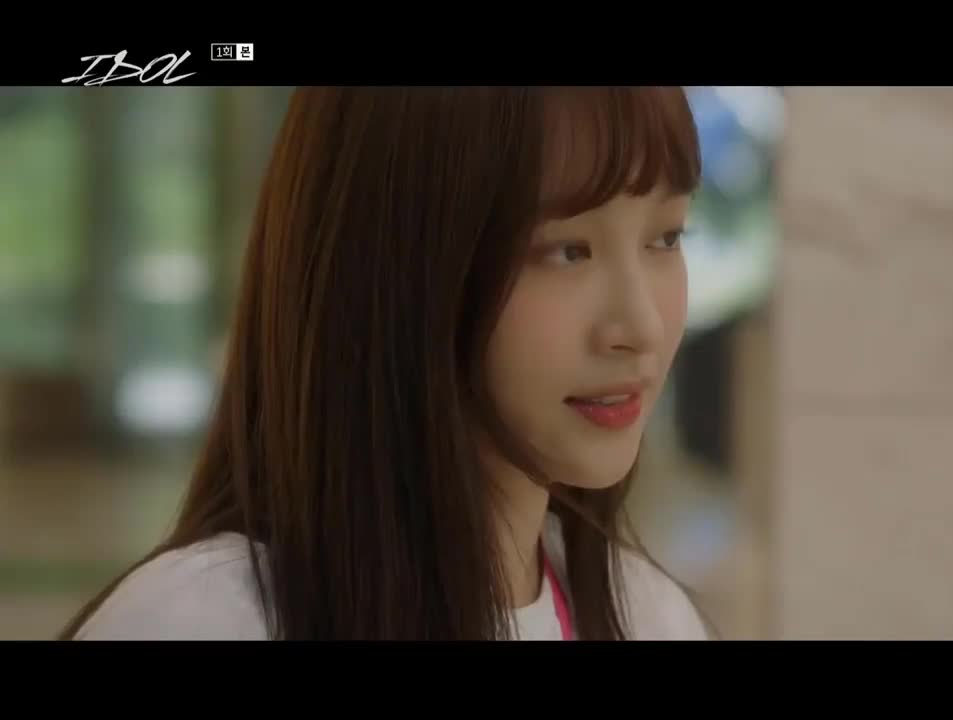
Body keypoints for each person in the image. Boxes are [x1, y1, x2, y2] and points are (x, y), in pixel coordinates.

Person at [58, 87, 713, 641]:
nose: (642, 328)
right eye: (567, 251)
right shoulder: (204, 620)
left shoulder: (651, 617)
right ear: (395, 265)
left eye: (666, 237)